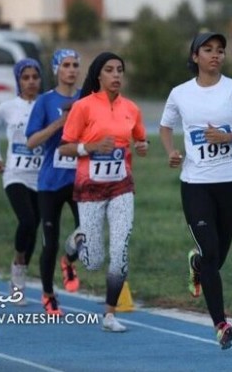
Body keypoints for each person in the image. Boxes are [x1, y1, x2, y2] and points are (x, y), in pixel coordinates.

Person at [159, 32, 232, 349]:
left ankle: (197, 265)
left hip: (231, 182)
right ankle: (221, 325)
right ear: (195, 56)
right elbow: (165, 126)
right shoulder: (180, 93)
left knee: (217, 259)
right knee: (213, 253)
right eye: (208, 50)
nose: (215, 55)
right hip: (196, 184)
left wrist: (228, 138)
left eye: (220, 50)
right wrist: (171, 152)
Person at [60, 52, 148, 333]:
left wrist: (142, 147)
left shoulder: (131, 108)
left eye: (120, 70)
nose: (116, 75)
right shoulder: (83, 107)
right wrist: (91, 147)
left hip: (122, 187)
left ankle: (109, 315)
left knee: (120, 249)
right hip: (90, 189)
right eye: (109, 70)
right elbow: (65, 147)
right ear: (98, 75)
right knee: (93, 260)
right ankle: (76, 240)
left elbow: (139, 138)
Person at [26, 49, 82, 316]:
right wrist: (61, 122)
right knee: (50, 241)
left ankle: (69, 259)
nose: (71, 70)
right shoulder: (45, 102)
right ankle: (48, 294)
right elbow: (31, 141)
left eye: (75, 65)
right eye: (66, 65)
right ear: (57, 69)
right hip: (50, 182)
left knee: (88, 234)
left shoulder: (87, 98)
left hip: (81, 180)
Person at [0, 58, 44, 305]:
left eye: (35, 77)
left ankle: (20, 273)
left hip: (41, 177)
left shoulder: (47, 105)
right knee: (27, 221)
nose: (31, 82)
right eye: (25, 77)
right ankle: (18, 267)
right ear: (18, 80)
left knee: (34, 229)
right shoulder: (8, 107)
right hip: (14, 174)